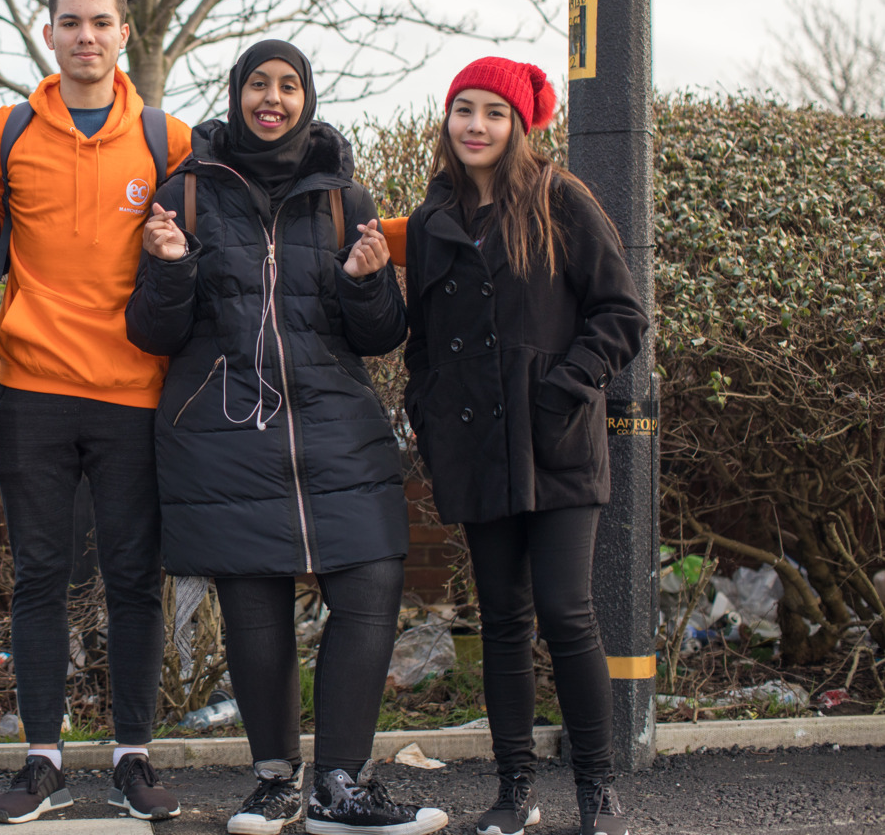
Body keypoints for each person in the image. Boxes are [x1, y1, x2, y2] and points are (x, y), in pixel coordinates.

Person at [126, 40, 450, 835]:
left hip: (337, 427)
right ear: (236, 93)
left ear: (307, 98)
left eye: (288, 86)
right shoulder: (186, 193)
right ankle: (274, 782)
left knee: (371, 587)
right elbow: (153, 332)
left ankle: (342, 785)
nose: (272, 99)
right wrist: (169, 265)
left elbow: (379, 336)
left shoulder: (344, 197)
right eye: (259, 85)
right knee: (255, 613)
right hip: (226, 433)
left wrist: (367, 282)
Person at [0, 0, 193, 823]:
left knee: (133, 579)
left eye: (100, 22)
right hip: (33, 390)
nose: (85, 36)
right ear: (48, 32)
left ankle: (132, 757)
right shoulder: (5, 132)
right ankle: (42, 760)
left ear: (123, 33)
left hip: (134, 393)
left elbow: (250, 204)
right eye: (70, 23)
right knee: (40, 578)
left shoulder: (167, 138)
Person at [401, 58, 647, 835]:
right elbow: (422, 343)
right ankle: (513, 793)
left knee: (567, 612)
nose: (475, 125)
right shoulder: (433, 219)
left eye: (493, 112)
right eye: (464, 109)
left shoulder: (558, 196)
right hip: (475, 447)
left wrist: (565, 386)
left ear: (518, 125)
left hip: (557, 441)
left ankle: (597, 790)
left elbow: (621, 313)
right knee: (501, 621)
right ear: (448, 119)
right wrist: (428, 415)